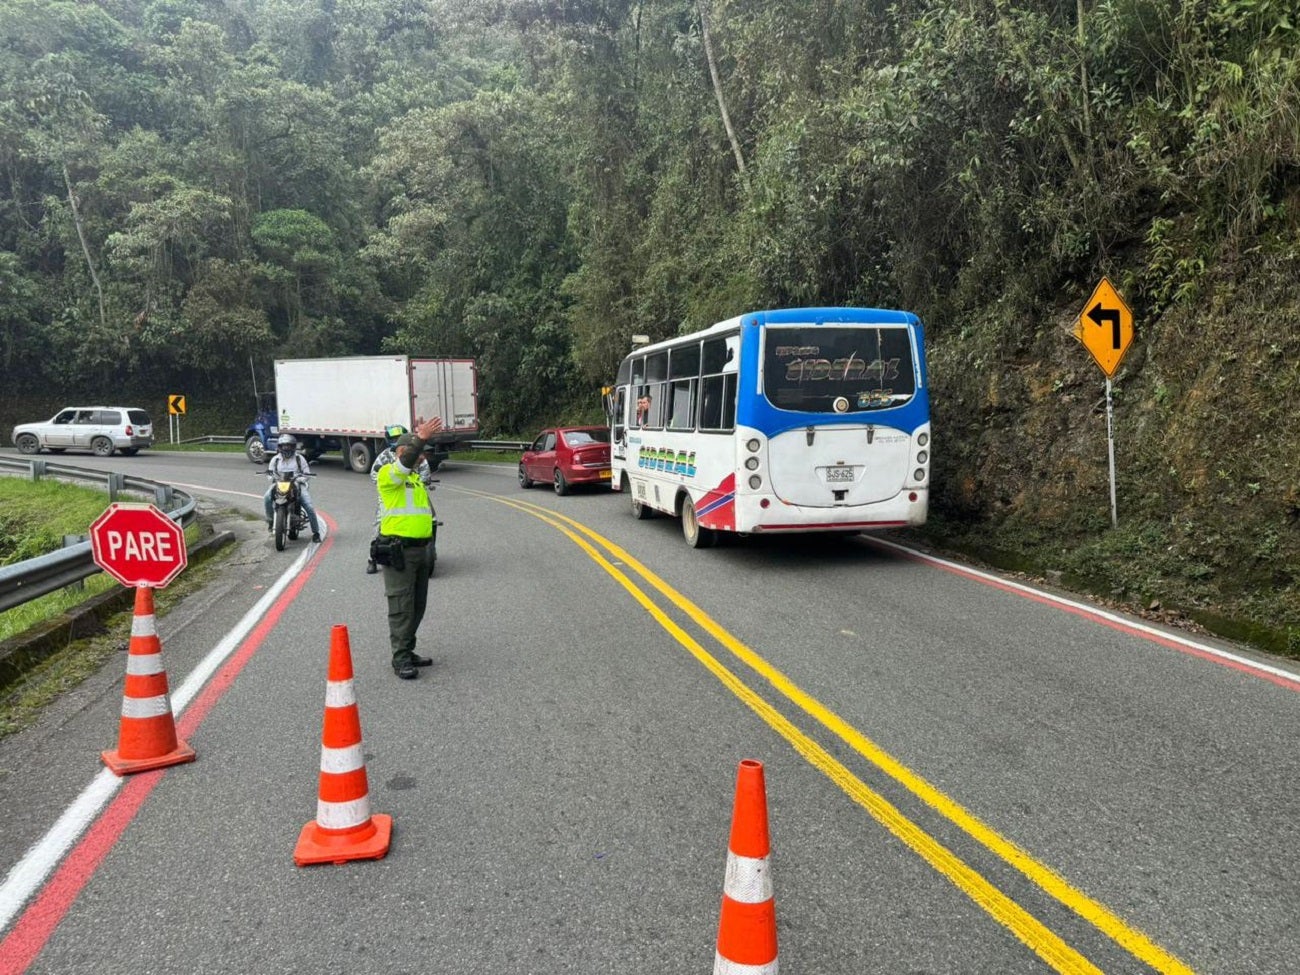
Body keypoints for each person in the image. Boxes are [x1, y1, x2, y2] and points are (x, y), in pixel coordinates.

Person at [375, 415, 443, 679]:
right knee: (401, 606)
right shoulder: (388, 474)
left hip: (421, 550)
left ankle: (408, 649)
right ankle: (400, 657)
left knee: (417, 605)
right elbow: (404, 464)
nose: (423, 458)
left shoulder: (414, 480)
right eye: (418, 453)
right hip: (399, 551)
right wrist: (421, 438)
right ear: (402, 452)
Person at [366, 423, 437, 574]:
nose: (395, 439)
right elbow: (375, 474)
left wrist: (420, 482)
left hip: (416, 491)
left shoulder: (420, 457)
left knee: (432, 517)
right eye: (393, 438)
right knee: (379, 523)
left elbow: (425, 473)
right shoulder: (385, 456)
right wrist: (388, 486)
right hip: (392, 495)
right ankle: (371, 559)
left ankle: (427, 551)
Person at [263, 433, 321, 543]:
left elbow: (306, 473)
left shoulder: (300, 459)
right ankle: (271, 521)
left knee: (308, 505)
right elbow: (270, 473)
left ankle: (316, 532)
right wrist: (271, 477)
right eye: (284, 446)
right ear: (280, 447)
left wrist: (301, 479)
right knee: (266, 498)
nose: (286, 448)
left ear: (293, 447)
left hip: (296, 484)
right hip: (279, 484)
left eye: (289, 445)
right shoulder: (275, 460)